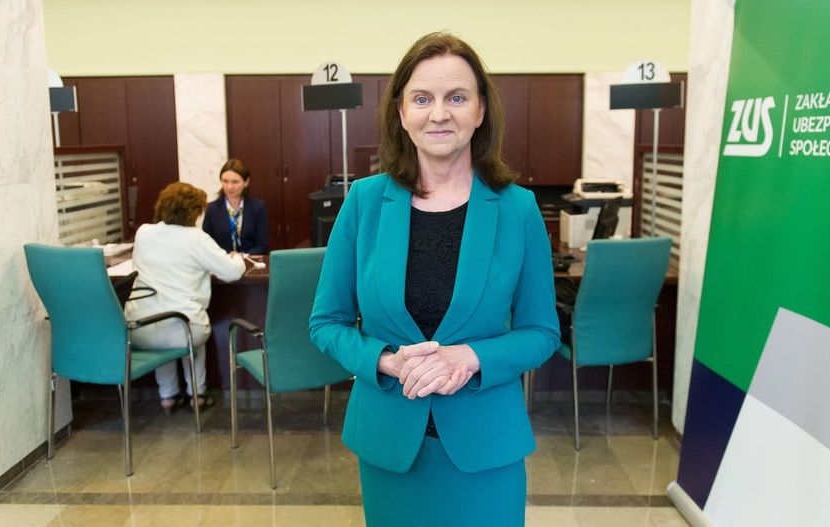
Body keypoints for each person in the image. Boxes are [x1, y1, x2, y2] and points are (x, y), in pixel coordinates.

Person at [309, 32, 560, 527]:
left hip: (487, 450)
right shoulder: (364, 202)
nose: (439, 114)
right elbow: (326, 322)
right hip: (390, 448)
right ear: (402, 113)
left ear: (481, 110)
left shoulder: (518, 209)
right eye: (422, 98)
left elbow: (542, 332)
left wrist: (472, 357)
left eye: (457, 98)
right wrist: (386, 361)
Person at [126, 182, 247, 414]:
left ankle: (168, 396)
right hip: (182, 329)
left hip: (138, 328)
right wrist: (236, 257)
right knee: (190, 334)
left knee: (162, 340)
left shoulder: (144, 232)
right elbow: (232, 272)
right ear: (194, 212)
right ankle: (197, 395)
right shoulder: (196, 238)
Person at [202, 159, 269, 255]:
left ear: (246, 182)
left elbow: (262, 245)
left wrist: (242, 256)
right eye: (225, 181)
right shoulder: (211, 209)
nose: (229, 187)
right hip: (222, 261)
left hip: (249, 260)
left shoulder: (258, 207)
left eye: (235, 182)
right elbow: (207, 244)